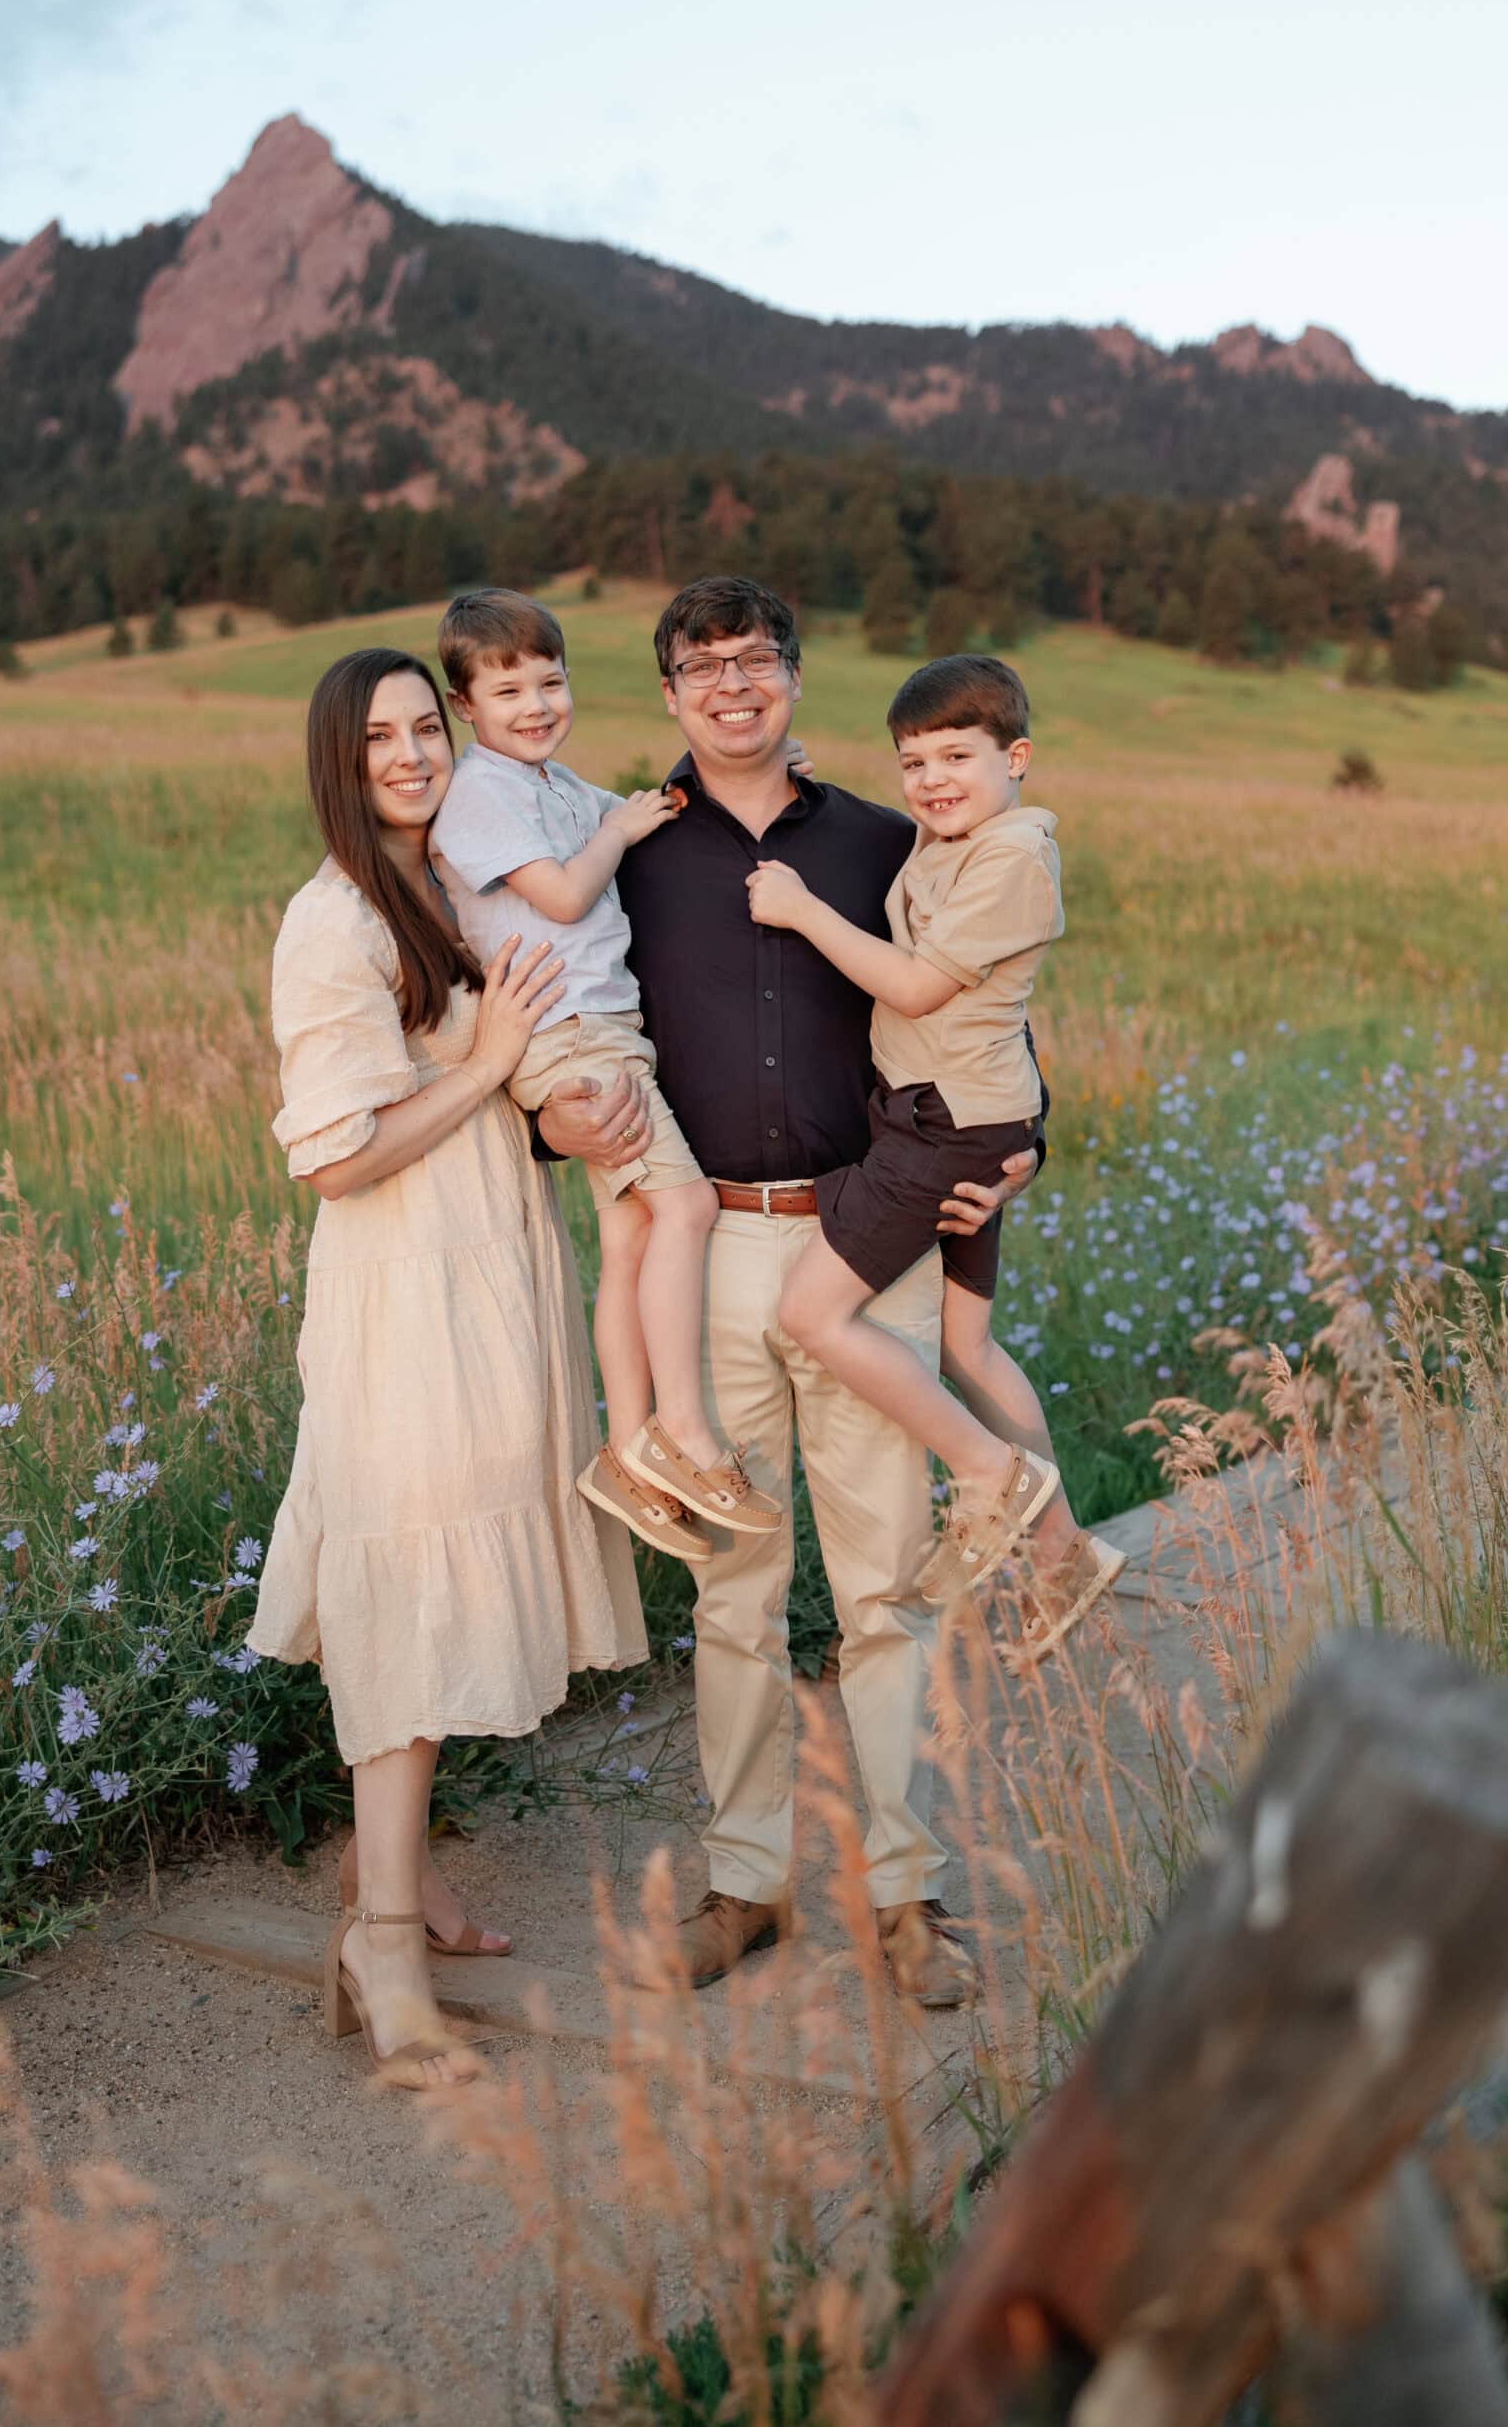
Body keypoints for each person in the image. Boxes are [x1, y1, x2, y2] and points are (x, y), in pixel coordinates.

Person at [536, 577, 1040, 2008]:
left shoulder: (891, 839)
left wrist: (1025, 1145)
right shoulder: (626, 852)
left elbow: (992, 1011)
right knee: (733, 1593)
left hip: (859, 1240)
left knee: (884, 1590)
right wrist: (556, 1120)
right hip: (706, 1246)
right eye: (700, 667)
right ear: (671, 695)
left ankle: (904, 1898)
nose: (730, 686)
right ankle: (742, 1885)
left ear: (794, 677)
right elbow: (564, 1020)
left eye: (753, 660)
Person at [247, 647, 648, 2092]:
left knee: (461, 1574)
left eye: (426, 726)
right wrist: (486, 1071)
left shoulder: (452, 886)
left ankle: (381, 1864)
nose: (411, 755)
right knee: (415, 1597)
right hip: (404, 1297)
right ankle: (384, 1951)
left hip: (495, 1274)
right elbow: (341, 1159)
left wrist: (558, 1117)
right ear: (336, 764)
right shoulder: (332, 919)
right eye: (378, 740)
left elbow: (501, 1082)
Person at [747, 654, 1124, 1668]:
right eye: (914, 761)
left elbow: (914, 985)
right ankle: (1064, 1555)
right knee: (967, 1347)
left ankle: (989, 1474)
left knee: (808, 1313)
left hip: (945, 1132)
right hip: (975, 1123)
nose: (931, 780)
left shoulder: (1014, 860)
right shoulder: (960, 837)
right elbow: (921, 847)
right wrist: (809, 779)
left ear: (1020, 759)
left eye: (956, 756)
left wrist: (802, 908)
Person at [430, 588, 781, 1560]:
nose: (538, 704)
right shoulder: (479, 794)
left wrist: (765, 772)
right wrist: (618, 833)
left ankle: (628, 1449)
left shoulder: (551, 783)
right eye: (510, 691)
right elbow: (568, 884)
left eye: (552, 680)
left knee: (631, 1235)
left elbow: (654, 813)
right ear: (467, 707)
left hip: (607, 1029)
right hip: (569, 1036)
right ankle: (688, 1432)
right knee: (689, 1208)